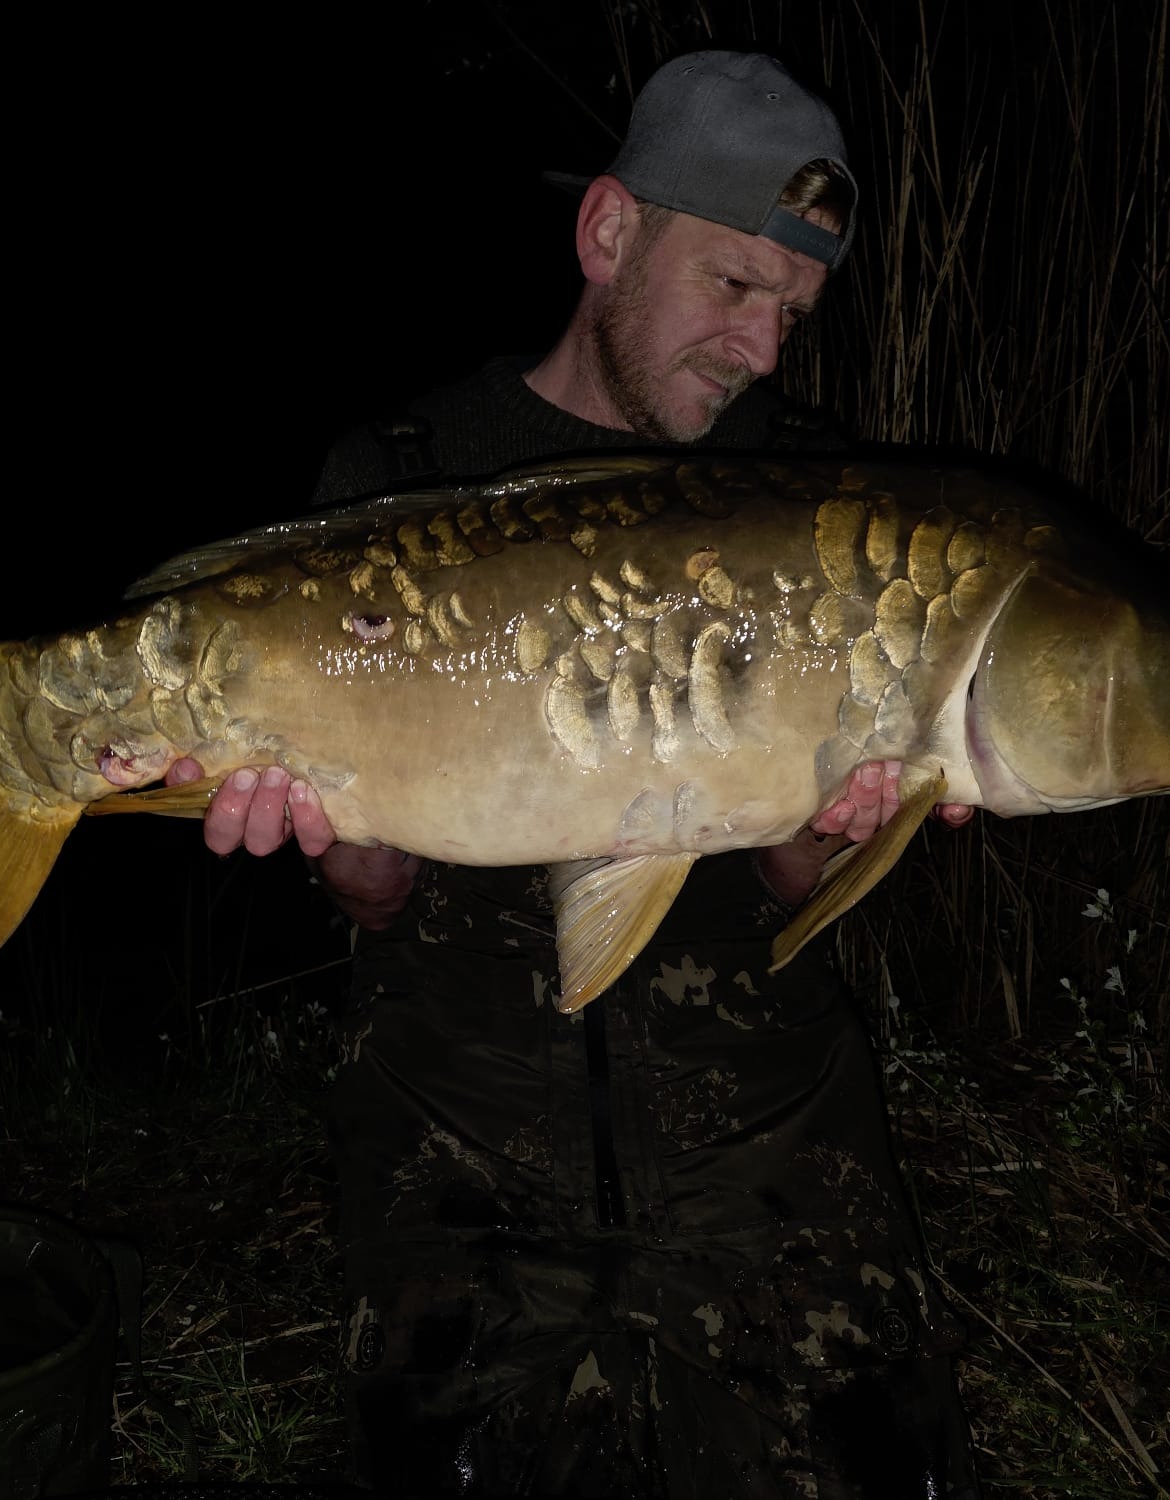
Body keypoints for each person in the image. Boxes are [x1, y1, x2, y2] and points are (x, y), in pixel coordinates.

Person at [169, 51, 979, 1498]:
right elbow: (372, 899)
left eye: (794, 314)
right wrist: (344, 848)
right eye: (735, 286)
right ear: (609, 233)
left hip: (764, 1117)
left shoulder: (821, 502)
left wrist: (831, 833)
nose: (762, 352)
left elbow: (797, 878)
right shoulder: (400, 471)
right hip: (461, 1121)